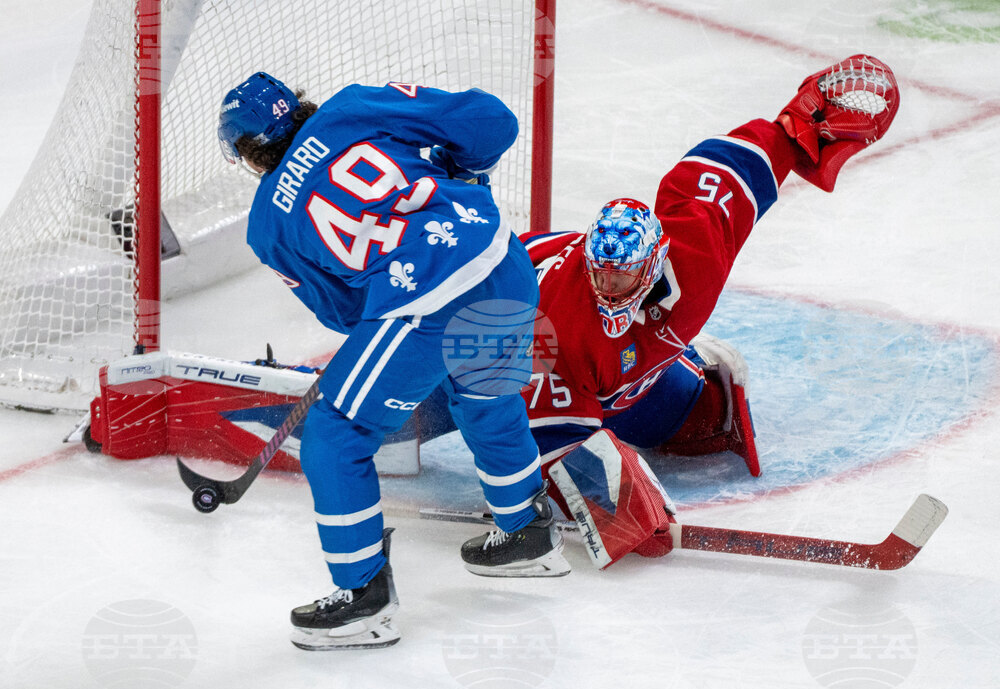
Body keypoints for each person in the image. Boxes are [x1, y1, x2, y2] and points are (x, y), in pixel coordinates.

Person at [415, 54, 900, 566]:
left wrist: (794, 127)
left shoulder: (694, 253)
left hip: (625, 377)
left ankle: (679, 373)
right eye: (597, 270)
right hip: (481, 329)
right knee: (407, 416)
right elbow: (551, 442)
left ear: (652, 266)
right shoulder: (556, 327)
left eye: (619, 275)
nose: (606, 285)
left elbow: (725, 174)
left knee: (705, 425)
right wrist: (616, 510)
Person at [216, 74, 570, 651]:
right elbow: (493, 122)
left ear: (251, 154)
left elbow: (344, 313)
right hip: (500, 261)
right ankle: (526, 535)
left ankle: (362, 600)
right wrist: (463, 173)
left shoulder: (267, 225)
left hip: (420, 304)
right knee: (484, 394)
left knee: (336, 435)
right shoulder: (354, 106)